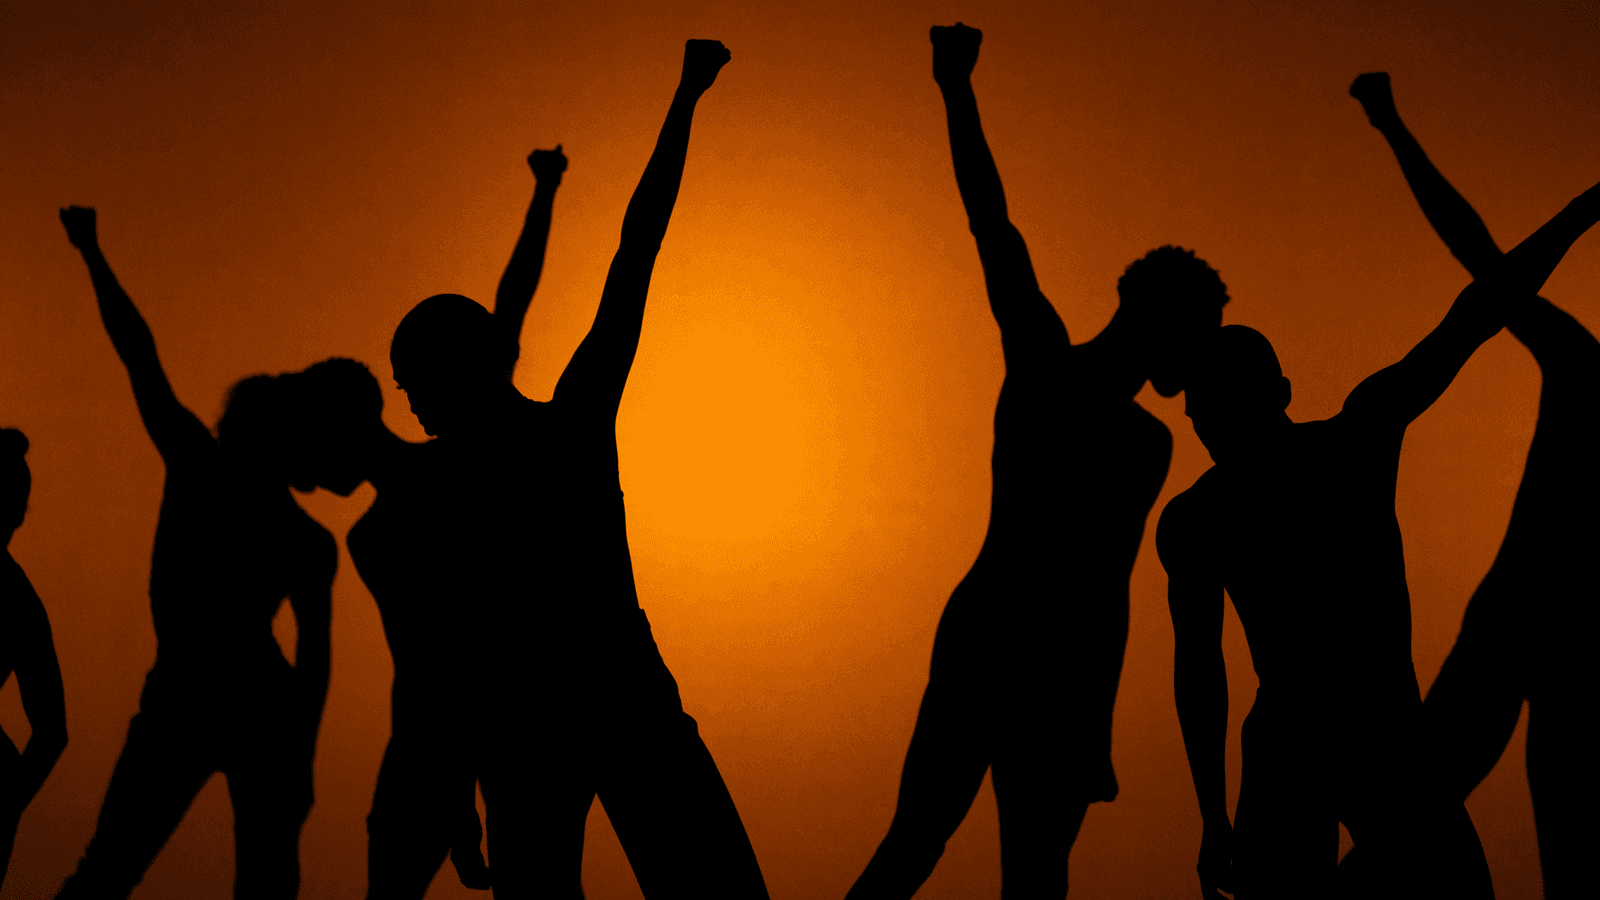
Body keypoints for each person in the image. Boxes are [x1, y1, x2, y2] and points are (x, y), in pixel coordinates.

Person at [845, 24, 1228, 900]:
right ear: (1154, 316)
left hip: (1055, 665)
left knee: (1028, 875)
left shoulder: (1149, 439)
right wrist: (955, 89)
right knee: (919, 843)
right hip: (996, 640)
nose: (1197, 358)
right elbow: (992, 223)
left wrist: (1093, 721)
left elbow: (1107, 588)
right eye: (1196, 334)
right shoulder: (1047, 369)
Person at [385, 40, 768, 899]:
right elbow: (446, 657)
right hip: (535, 723)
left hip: (607, 705)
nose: (411, 403)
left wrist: (685, 100)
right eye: (404, 389)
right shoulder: (461, 478)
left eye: (416, 383)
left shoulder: (563, 428)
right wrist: (458, 796)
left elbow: (637, 253)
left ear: (463, 368)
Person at [1157, 171, 1600, 898]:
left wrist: (1581, 213)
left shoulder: (1350, 444)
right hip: (1310, 746)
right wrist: (1210, 816)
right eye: (1200, 410)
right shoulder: (1201, 516)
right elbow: (1199, 672)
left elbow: (1478, 313)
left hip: (1381, 741)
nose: (1208, 422)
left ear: (1277, 395)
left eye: (1217, 404)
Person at [287, 145, 569, 899]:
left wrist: (544, 196)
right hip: (430, 753)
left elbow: (503, 320)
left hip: (466, 746)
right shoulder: (376, 529)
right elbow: (427, 668)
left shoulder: (444, 478)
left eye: (311, 446)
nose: (307, 471)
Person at [1350, 71, 1600, 899]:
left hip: (1557, 638)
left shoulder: (1582, 365)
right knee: (1405, 824)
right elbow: (1483, 266)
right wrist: (1392, 129)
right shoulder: (1581, 366)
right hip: (1515, 622)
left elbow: (1482, 263)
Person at [55, 207, 335, 900]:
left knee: (121, 867)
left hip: (215, 699)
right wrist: (93, 256)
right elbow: (138, 355)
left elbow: (316, 655)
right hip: (204, 698)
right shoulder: (213, 478)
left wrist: (300, 753)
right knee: (121, 866)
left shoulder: (228, 489)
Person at [0, 428, 68, 888]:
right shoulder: (18, 597)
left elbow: (52, 733)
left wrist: (7, 804)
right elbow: (53, 732)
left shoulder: (17, 599)